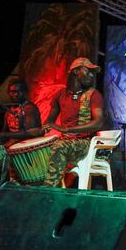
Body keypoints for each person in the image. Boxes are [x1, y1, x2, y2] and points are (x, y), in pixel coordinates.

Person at [0, 78, 42, 206]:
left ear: (24, 92)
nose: (14, 94)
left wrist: (3, 137)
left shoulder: (30, 109)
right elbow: (4, 134)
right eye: (11, 92)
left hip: (23, 150)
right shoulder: (10, 110)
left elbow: (32, 133)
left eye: (17, 91)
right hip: (9, 147)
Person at [42, 57, 104, 187]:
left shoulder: (93, 95)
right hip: (65, 141)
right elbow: (49, 123)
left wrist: (68, 129)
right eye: (88, 71)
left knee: (59, 147)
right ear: (76, 72)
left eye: (93, 72)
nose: (92, 75)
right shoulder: (60, 94)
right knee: (43, 149)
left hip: (85, 142)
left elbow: (99, 123)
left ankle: (48, 191)